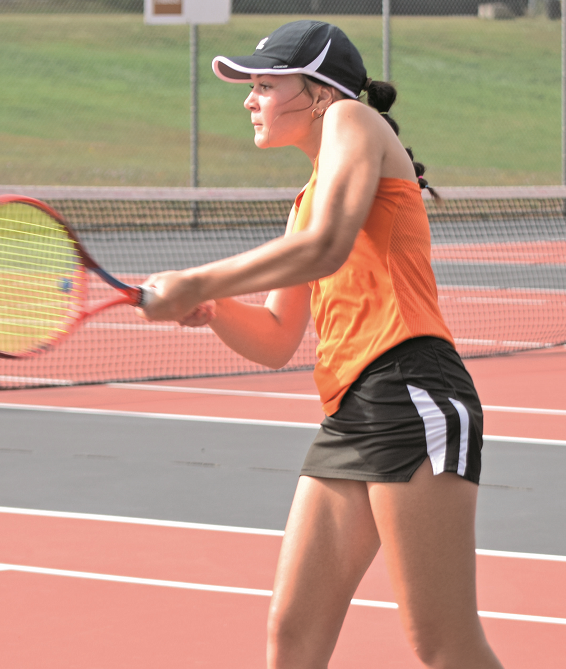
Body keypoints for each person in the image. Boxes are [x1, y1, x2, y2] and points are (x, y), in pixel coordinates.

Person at [138, 20, 504, 669]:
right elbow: (280, 339)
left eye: (263, 84)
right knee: (294, 631)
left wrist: (194, 278)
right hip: (352, 410)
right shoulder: (306, 200)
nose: (249, 99)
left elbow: (327, 246)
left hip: (409, 385)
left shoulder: (355, 122)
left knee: (445, 645)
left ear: (316, 93)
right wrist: (216, 307)